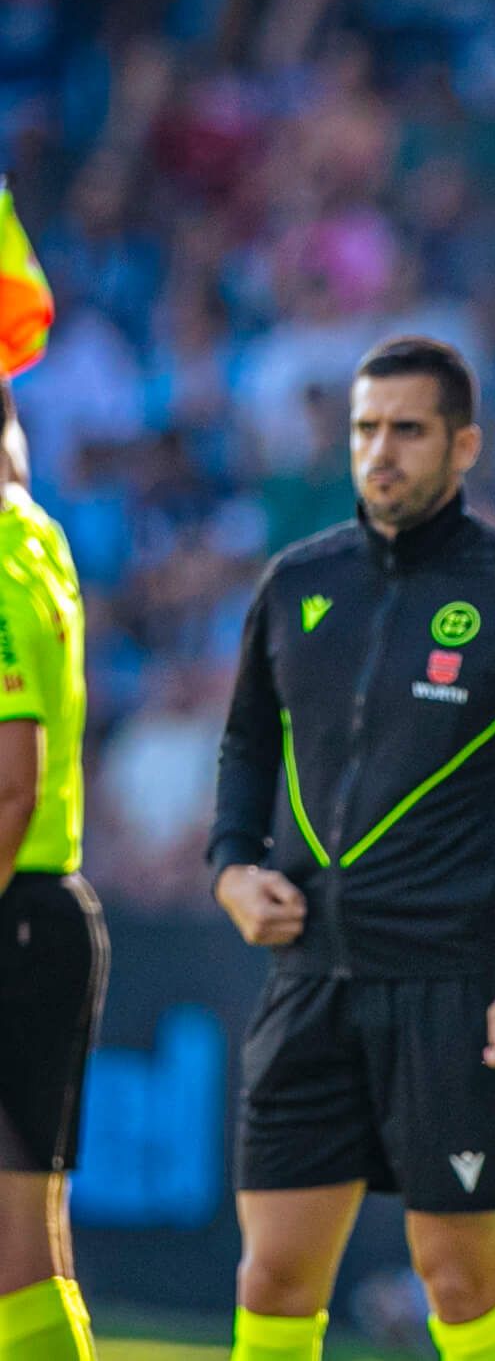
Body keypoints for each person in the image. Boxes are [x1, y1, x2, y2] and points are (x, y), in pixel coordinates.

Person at [207, 337, 495, 1361]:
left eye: (407, 430)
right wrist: (230, 865)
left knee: (459, 1273)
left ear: (463, 444)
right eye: (364, 429)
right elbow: (249, 740)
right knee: (274, 1272)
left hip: (451, 983)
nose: (379, 451)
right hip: (308, 978)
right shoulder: (298, 580)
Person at [0, 377, 105, 1361]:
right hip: (41, 906)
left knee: (18, 1247)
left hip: (14, 906)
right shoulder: (37, 541)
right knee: (30, 1241)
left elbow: (9, 781)